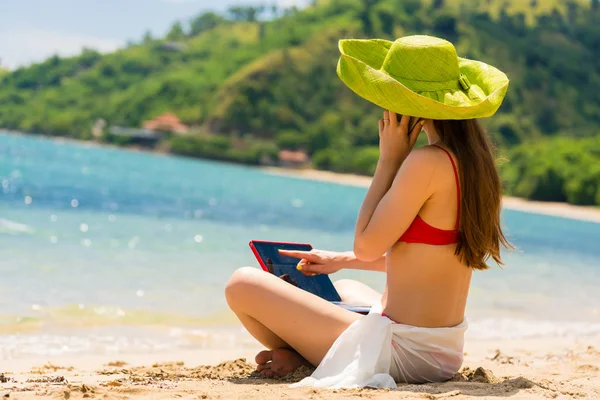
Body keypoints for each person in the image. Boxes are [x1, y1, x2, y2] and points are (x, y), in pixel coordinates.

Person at [225, 35, 513, 388]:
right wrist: (340, 259)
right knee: (346, 286)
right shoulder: (475, 166)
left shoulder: (426, 162)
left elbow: (367, 245)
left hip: (401, 353)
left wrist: (388, 160)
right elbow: (423, 260)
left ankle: (304, 354)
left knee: (241, 283)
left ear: (407, 107)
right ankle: (305, 353)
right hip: (440, 350)